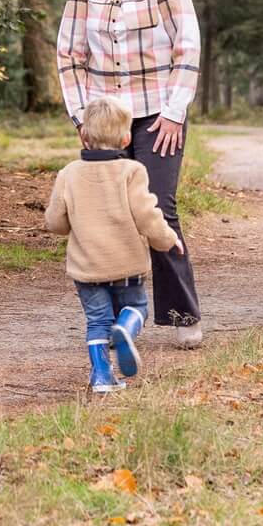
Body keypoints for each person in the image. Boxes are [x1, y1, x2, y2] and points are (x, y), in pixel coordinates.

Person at [54, 0, 206, 346]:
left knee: (157, 206)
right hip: (107, 119)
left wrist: (176, 112)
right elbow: (69, 54)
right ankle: (124, 317)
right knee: (107, 211)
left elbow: (188, 44)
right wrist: (82, 116)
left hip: (160, 111)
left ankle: (181, 313)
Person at [44, 94, 182, 392]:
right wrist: (167, 240)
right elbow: (148, 217)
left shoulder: (68, 174)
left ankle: (101, 378)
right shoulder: (132, 171)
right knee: (136, 307)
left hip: (87, 268)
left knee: (96, 322)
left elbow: (55, 223)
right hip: (126, 264)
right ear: (125, 138)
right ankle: (126, 328)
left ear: (84, 137)